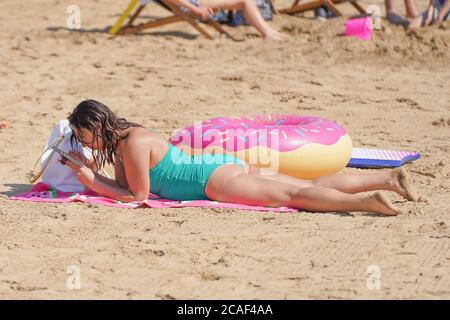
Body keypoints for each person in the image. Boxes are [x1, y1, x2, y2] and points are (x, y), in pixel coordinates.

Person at [62, 100, 420, 216]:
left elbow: (137, 195)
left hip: (213, 181)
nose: (85, 142)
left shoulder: (134, 145)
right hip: (216, 169)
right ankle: (385, 180)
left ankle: (366, 203)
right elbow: (127, 185)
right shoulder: (128, 138)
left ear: (95, 127)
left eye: (83, 136)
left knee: (293, 197)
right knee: (303, 184)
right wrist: (95, 173)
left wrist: (93, 183)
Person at [166, 0, 288, 41]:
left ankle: (269, 32)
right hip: (191, 3)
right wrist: (194, 9)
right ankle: (268, 33)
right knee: (245, 1)